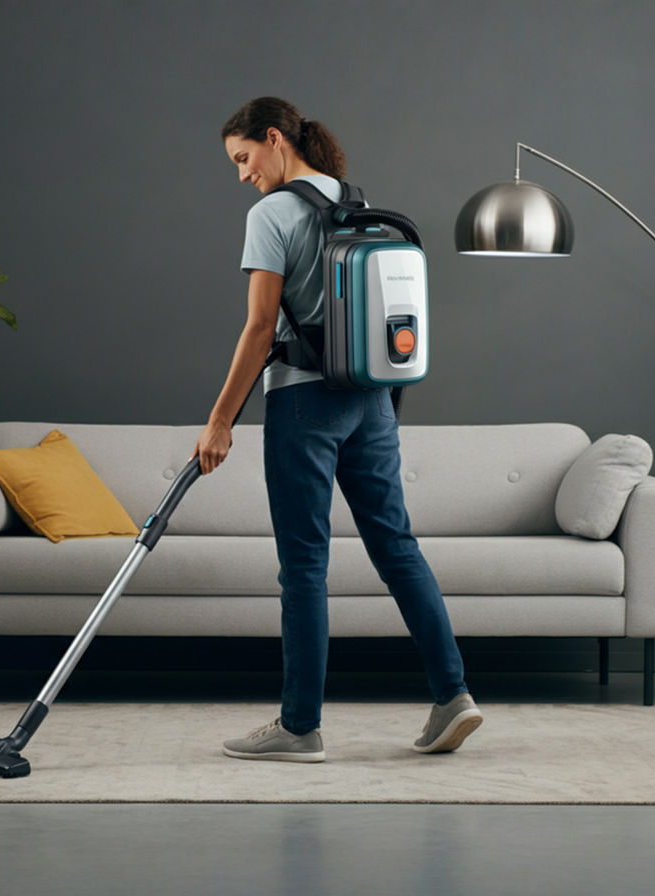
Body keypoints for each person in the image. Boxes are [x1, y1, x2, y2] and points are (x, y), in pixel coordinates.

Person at [196, 97, 482, 763]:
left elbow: (261, 327)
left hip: (304, 404)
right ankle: (454, 695)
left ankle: (299, 726)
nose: (242, 175)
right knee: (397, 546)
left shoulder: (272, 214)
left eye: (243, 158)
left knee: (304, 565)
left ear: (272, 140)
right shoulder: (359, 205)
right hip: (373, 401)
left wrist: (219, 421)